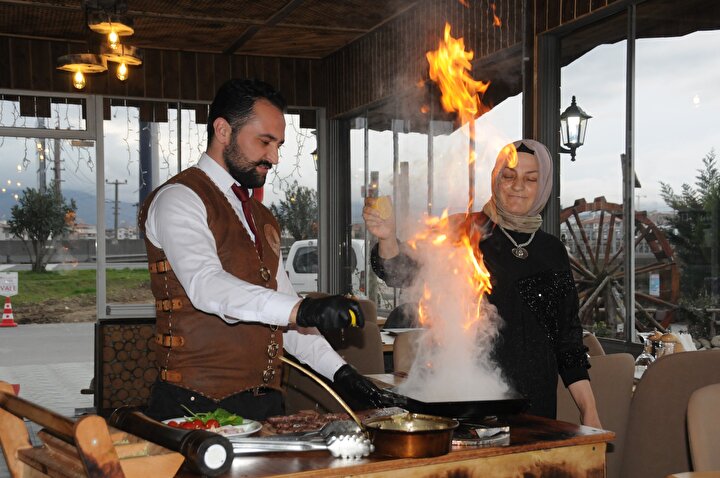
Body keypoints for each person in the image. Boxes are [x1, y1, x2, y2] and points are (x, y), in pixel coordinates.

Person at [139, 78, 400, 421]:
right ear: (223, 130)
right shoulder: (179, 198)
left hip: (264, 406)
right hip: (194, 406)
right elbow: (207, 286)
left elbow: (287, 315)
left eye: (278, 145)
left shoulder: (261, 217)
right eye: (264, 142)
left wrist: (343, 375)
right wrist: (303, 309)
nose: (274, 157)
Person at [363, 139, 602, 428]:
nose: (517, 186)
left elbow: (568, 341)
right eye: (509, 175)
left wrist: (589, 410)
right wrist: (388, 239)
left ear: (544, 187)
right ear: (495, 178)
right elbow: (400, 273)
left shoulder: (552, 251)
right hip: (465, 402)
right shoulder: (464, 230)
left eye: (530, 179)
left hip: (534, 406)